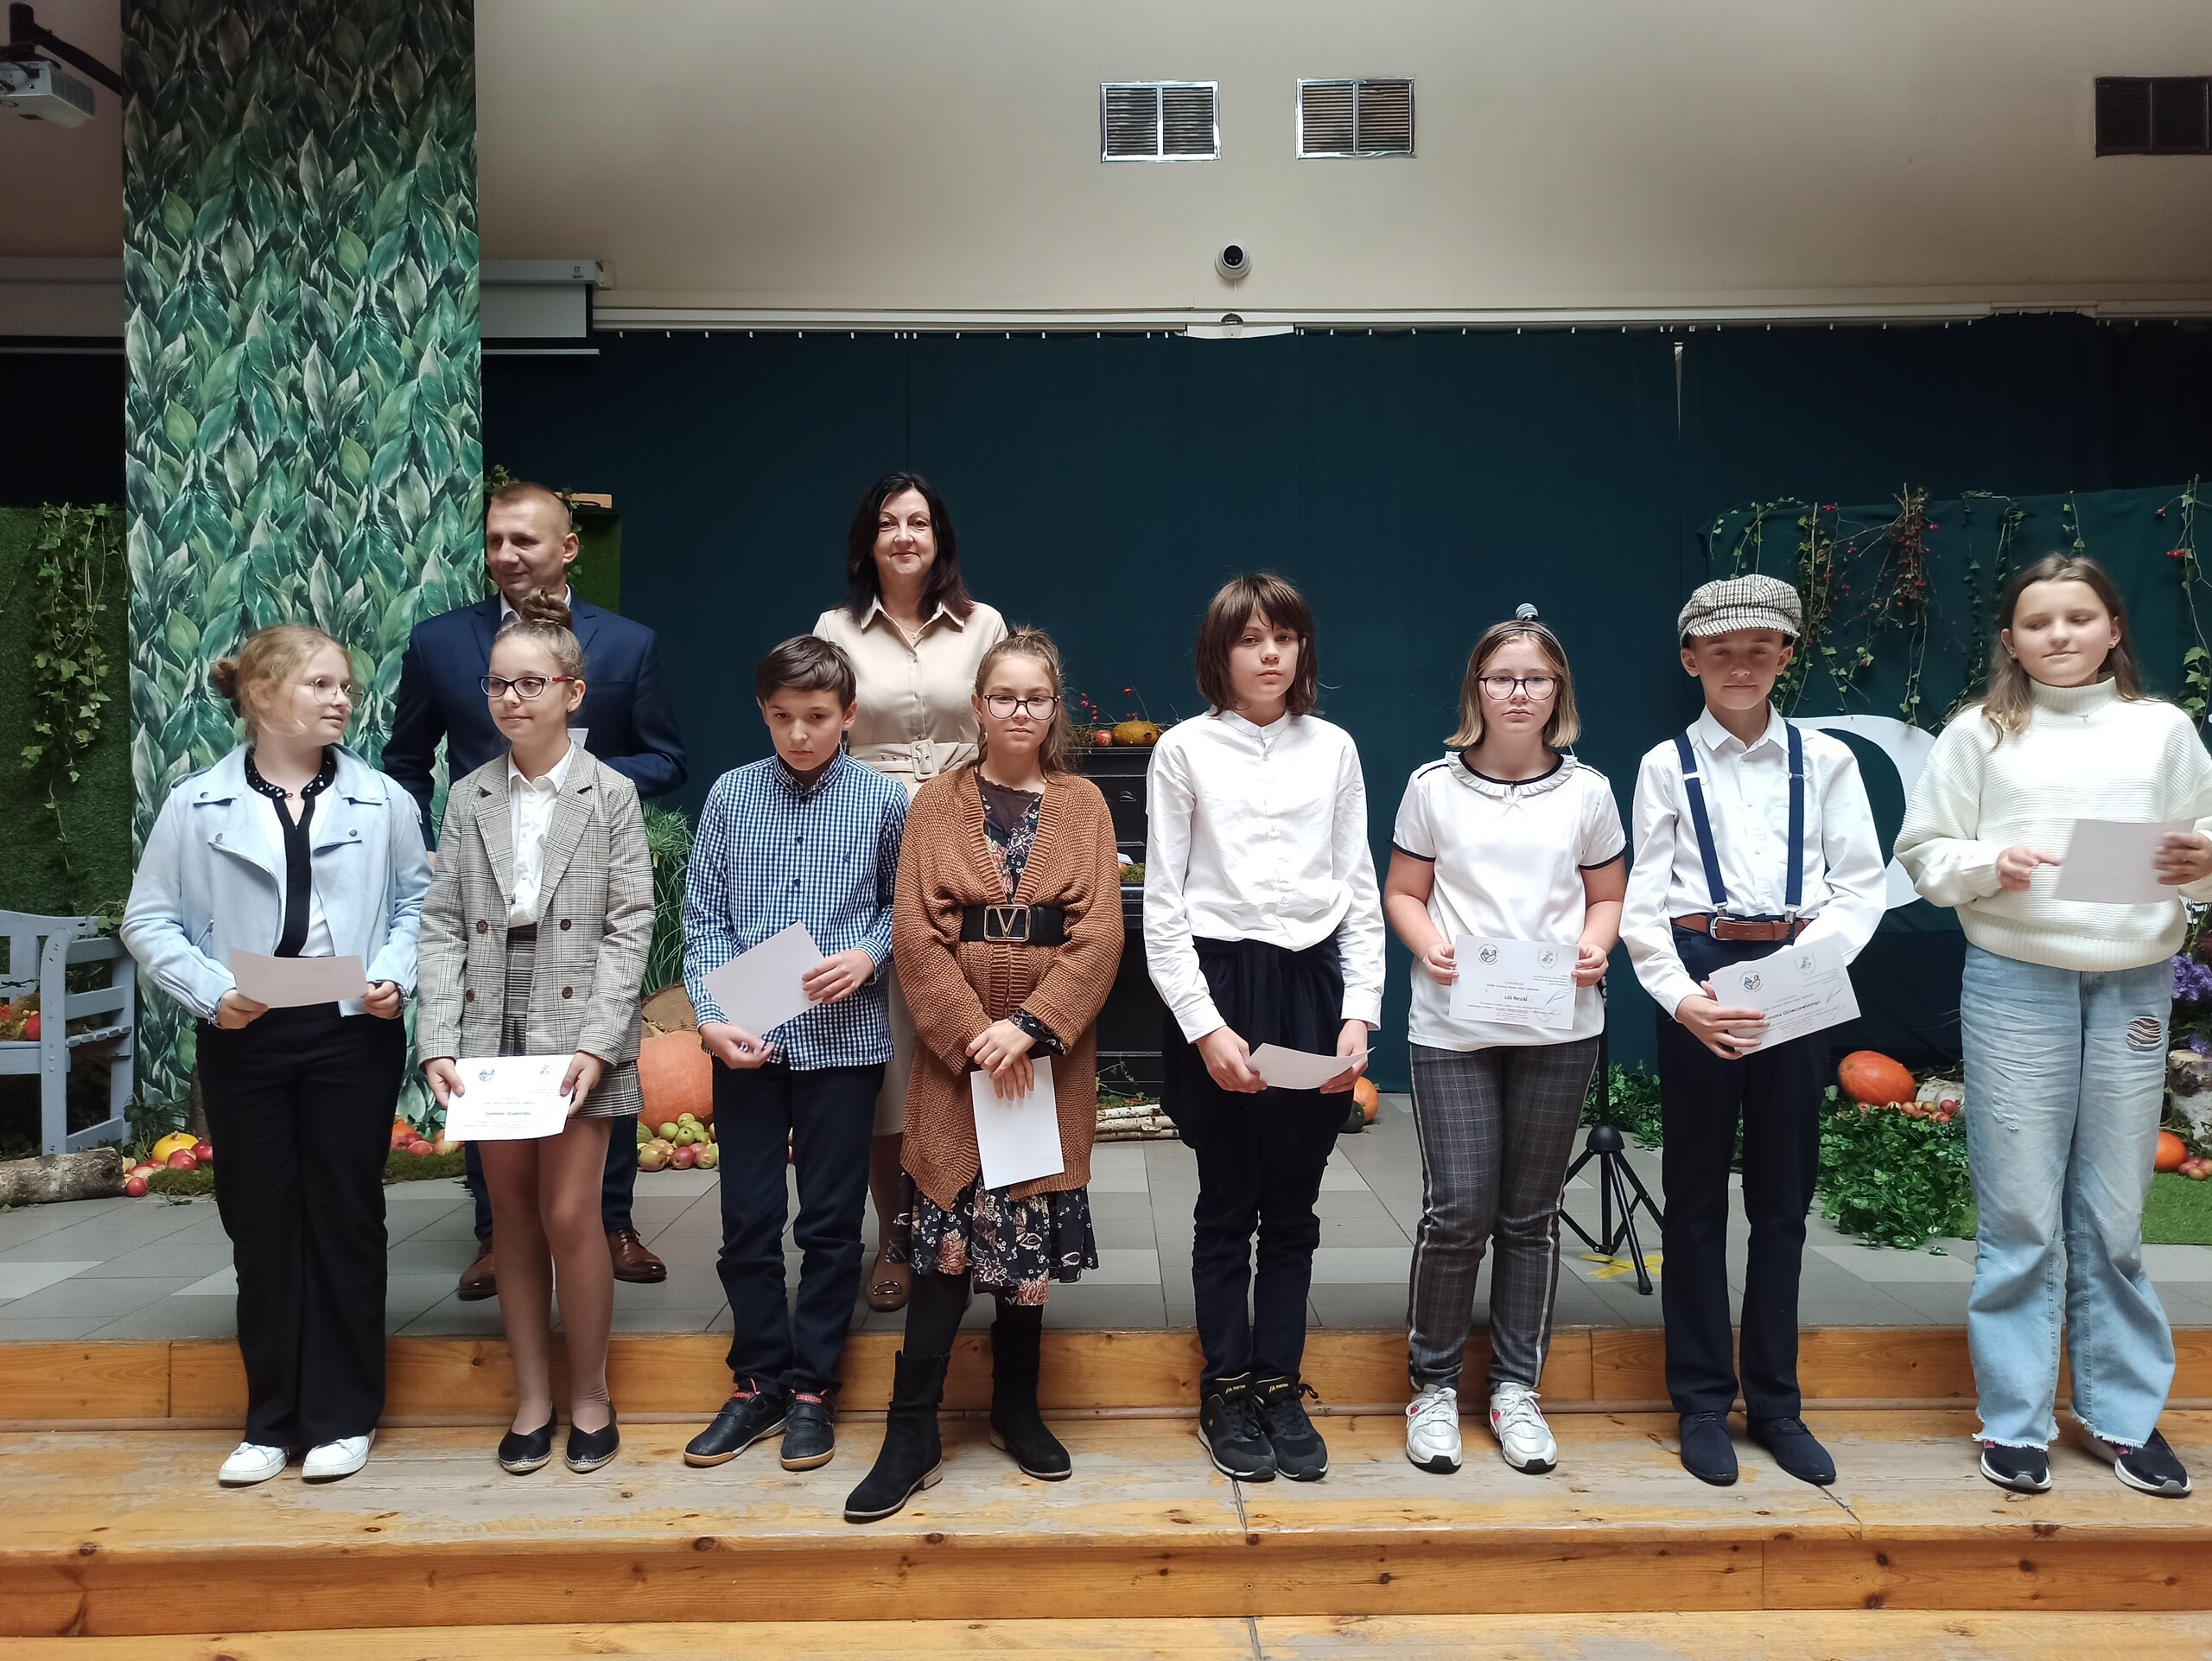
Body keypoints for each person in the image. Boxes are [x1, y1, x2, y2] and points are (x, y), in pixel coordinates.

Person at [1897, 554, 2212, 1499]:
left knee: (2113, 1214)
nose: (2060, 634)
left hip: (2132, 983)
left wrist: (2199, 861)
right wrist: (1991, 864)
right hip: (2015, 980)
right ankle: (2015, 1422)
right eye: (2038, 622)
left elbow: (2201, 848)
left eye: (2079, 617)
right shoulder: (1978, 734)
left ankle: (2122, 1417)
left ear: (2113, 629)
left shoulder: (2163, 730)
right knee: (2021, 1213)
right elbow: (1924, 851)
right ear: (2011, 640)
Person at [121, 625, 429, 1487]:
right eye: (321, 684)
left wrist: (394, 973)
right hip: (244, 1030)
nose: (342, 699)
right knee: (259, 1221)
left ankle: (342, 1415)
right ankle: (271, 1419)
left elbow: (419, 904)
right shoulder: (195, 804)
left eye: (346, 686)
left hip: (352, 1031)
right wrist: (211, 990)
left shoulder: (382, 800)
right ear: (261, 694)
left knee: (343, 1213)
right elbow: (148, 920)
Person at [845, 628, 1124, 1523]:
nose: (1018, 711)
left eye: (1035, 698)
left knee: (1025, 1233)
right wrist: (974, 1035)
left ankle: (1015, 1406)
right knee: (944, 1238)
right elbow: (914, 934)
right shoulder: (935, 804)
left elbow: (1100, 934)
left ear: (1053, 707)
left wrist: (1032, 1028)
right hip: (955, 1061)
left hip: (1046, 1062)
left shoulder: (1084, 806)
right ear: (978, 704)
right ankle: (911, 1429)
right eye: (1003, 696)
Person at [385, 479, 687, 1301]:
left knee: (598, 1048)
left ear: (568, 547)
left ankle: (612, 1222)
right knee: (486, 1055)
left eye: (525, 539)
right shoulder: (440, 643)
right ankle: (496, 1234)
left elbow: (666, 757)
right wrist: (428, 846)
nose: (508, 554)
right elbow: (405, 761)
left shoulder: (627, 644)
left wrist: (566, 779)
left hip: (584, 877)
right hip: (484, 886)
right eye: (495, 541)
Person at [1619, 573, 1885, 1489]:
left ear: (1785, 656)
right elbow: (1644, 901)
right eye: (1722, 651)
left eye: (1759, 650)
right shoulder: (1665, 765)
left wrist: (1805, 969)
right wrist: (1678, 997)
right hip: (1702, 976)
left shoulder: (1828, 761)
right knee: (1692, 1196)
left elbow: (1859, 884)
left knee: (1782, 1198)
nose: (1741, 666)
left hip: (1801, 972)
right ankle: (1700, 1399)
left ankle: (1775, 1402)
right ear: (1690, 659)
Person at [1145, 573, 1385, 1484]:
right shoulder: (1182, 750)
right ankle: (1225, 1386)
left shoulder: (1334, 747)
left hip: (1310, 984)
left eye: (1284, 636)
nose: (1270, 653)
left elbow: (1358, 891)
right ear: (1221, 653)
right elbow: (1163, 908)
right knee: (1224, 1201)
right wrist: (1204, 1028)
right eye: (1250, 638)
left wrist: (1358, 1011)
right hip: (1221, 982)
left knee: (1291, 1206)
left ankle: (1280, 1383)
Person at [416, 593, 653, 1477]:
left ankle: (589, 1392)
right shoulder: (469, 794)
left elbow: (630, 924)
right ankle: (532, 1397)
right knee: (511, 1217)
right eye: (497, 684)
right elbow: (441, 923)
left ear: (573, 691)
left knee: (569, 1212)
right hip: (488, 1011)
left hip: (579, 1013)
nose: (511, 698)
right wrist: (437, 1038)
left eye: (530, 683)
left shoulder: (611, 793)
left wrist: (599, 1043)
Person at [1383, 614, 1625, 1477]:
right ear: (1476, 690)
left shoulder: (1589, 792)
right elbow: (1403, 891)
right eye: (1501, 678)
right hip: (1455, 1027)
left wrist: (1596, 943)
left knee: (1528, 1216)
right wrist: (1427, 944)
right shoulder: (1432, 786)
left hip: (1559, 1025)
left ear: (1558, 692)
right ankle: (1433, 1387)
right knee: (1457, 1210)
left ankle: (1517, 1387)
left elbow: (1606, 896)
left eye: (1535, 678)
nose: (1518, 692)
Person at [681, 636, 910, 1474]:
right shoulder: (731, 795)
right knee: (745, 1219)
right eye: (783, 717)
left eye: (817, 716)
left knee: (829, 1223)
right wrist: (710, 1018)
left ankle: (813, 1386)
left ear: (848, 714)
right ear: (763, 713)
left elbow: (903, 904)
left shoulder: (884, 800)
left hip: (842, 1044)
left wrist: (868, 954)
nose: (800, 733)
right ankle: (756, 1382)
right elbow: (703, 918)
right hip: (747, 1041)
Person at [815, 472, 1008, 1316]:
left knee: (976, 1031)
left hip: (972, 834)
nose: (904, 536)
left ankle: (983, 1231)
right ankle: (897, 1237)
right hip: (870, 839)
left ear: (939, 538)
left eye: (918, 522)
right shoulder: (833, 630)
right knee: (890, 1050)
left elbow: (1008, 721)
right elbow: (816, 727)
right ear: (868, 541)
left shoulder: (984, 625)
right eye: (889, 523)